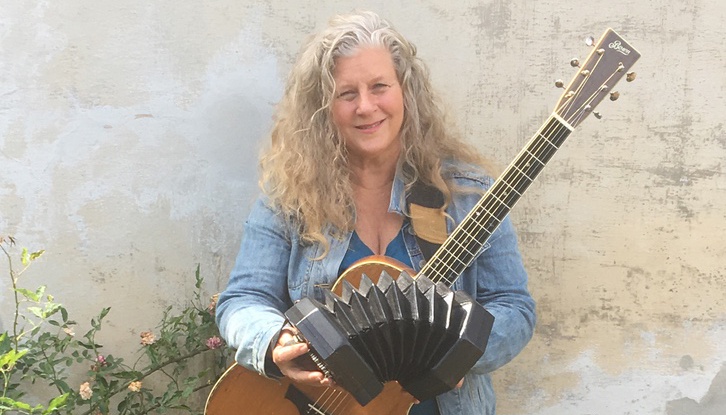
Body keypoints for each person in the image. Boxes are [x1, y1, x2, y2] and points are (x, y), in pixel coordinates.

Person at [215, 10, 536, 415]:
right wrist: (276, 340)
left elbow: (513, 305)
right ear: (323, 108)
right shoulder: (290, 197)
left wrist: (466, 352)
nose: (366, 107)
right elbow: (244, 299)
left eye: (379, 86)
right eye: (346, 94)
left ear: (405, 91)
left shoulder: (467, 195)